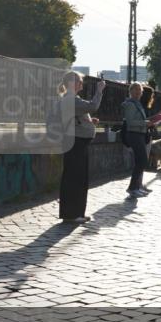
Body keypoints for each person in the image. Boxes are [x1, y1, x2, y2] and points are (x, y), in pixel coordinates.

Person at [57, 72, 105, 222]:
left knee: (74, 177)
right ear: (72, 83)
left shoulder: (71, 99)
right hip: (76, 142)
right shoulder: (71, 99)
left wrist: (90, 122)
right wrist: (99, 90)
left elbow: (78, 116)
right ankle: (73, 214)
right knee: (76, 178)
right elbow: (93, 106)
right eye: (79, 81)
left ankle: (72, 213)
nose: (81, 84)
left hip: (76, 141)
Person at [121, 83, 161, 198]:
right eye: (135, 91)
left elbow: (140, 120)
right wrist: (146, 123)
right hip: (134, 134)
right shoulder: (130, 104)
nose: (138, 93)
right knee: (142, 160)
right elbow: (130, 122)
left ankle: (135, 187)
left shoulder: (137, 103)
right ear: (130, 91)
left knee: (141, 161)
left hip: (140, 134)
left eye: (139, 91)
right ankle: (133, 188)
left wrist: (154, 119)